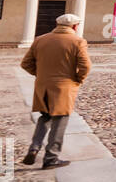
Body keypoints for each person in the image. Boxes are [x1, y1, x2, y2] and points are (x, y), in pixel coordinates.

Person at [20, 12, 91, 170]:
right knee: (60, 120)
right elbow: (86, 66)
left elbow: (25, 63)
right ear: (74, 26)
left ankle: (34, 147)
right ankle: (51, 157)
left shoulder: (40, 39)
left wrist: (40, 74)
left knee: (45, 117)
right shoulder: (77, 41)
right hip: (64, 86)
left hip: (43, 85)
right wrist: (78, 79)